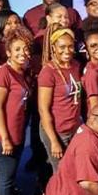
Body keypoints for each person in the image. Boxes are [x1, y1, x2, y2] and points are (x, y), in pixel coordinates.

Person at [0, 27, 33, 195]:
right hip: (1, 135)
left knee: (6, 176)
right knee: (5, 179)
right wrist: (5, 138)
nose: (22, 53)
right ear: (8, 52)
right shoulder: (3, 72)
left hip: (16, 133)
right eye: (17, 49)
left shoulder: (23, 72)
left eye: (25, 49)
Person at [38, 24, 83, 175]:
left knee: (76, 170)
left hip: (74, 128)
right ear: (53, 48)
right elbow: (43, 109)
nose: (67, 51)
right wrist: (54, 141)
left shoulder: (76, 65)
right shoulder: (48, 72)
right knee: (62, 174)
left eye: (70, 46)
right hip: (57, 131)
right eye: (62, 47)